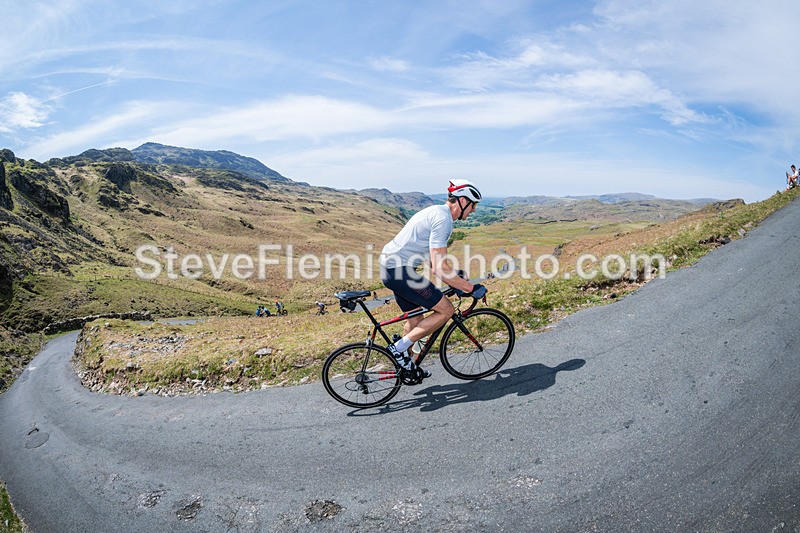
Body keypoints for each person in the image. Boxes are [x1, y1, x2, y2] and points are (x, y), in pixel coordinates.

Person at [379, 179, 487, 379]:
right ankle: (398, 349)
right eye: (473, 205)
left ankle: (407, 367)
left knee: (415, 318)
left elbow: (432, 259)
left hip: (391, 269)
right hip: (399, 271)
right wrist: (470, 288)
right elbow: (439, 268)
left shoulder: (436, 212)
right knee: (446, 310)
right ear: (463, 201)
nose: (473, 210)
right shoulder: (443, 220)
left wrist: (455, 277)